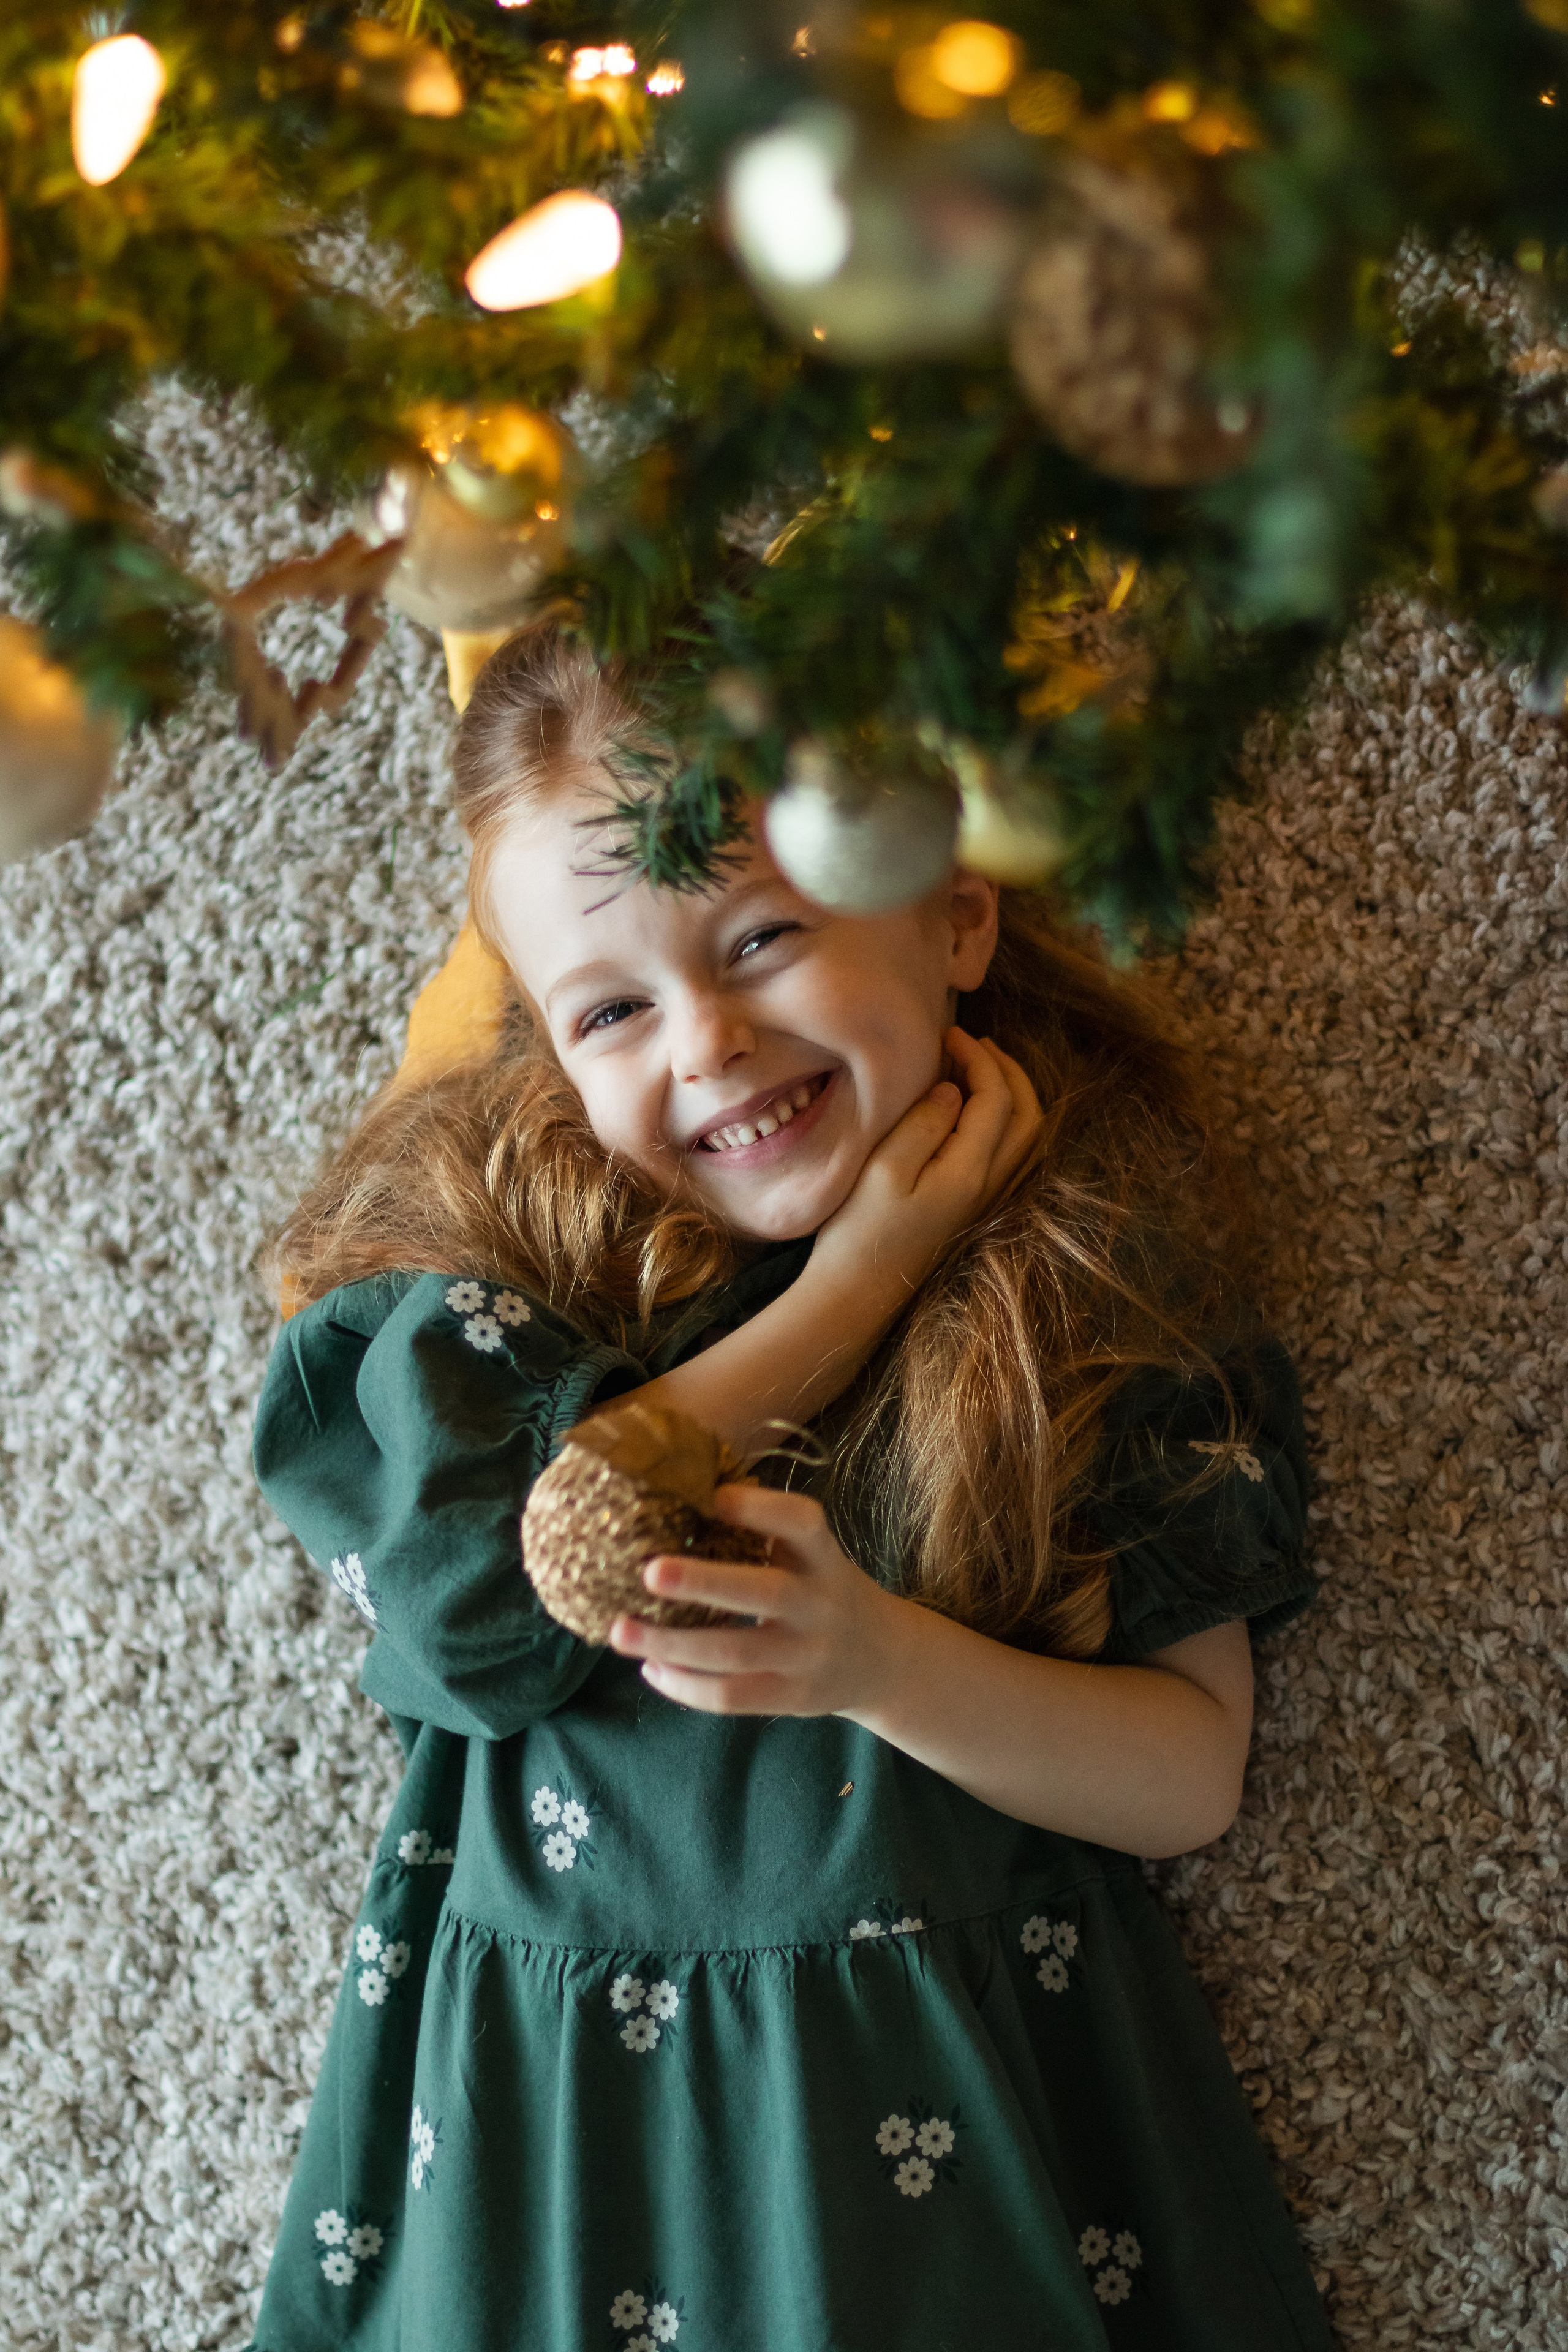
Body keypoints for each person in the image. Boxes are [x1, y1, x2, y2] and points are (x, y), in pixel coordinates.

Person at [246, 631, 1331, 2352]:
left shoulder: (1091, 1302)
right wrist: (855, 1289)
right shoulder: (502, 1307)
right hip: (549, 2146)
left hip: (947, 2122)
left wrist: (876, 1664)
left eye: (763, 937)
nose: (713, 1043)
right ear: (545, 1057)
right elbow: (468, 1623)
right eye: (611, 1009)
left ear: (956, 912)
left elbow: (1187, 1771)